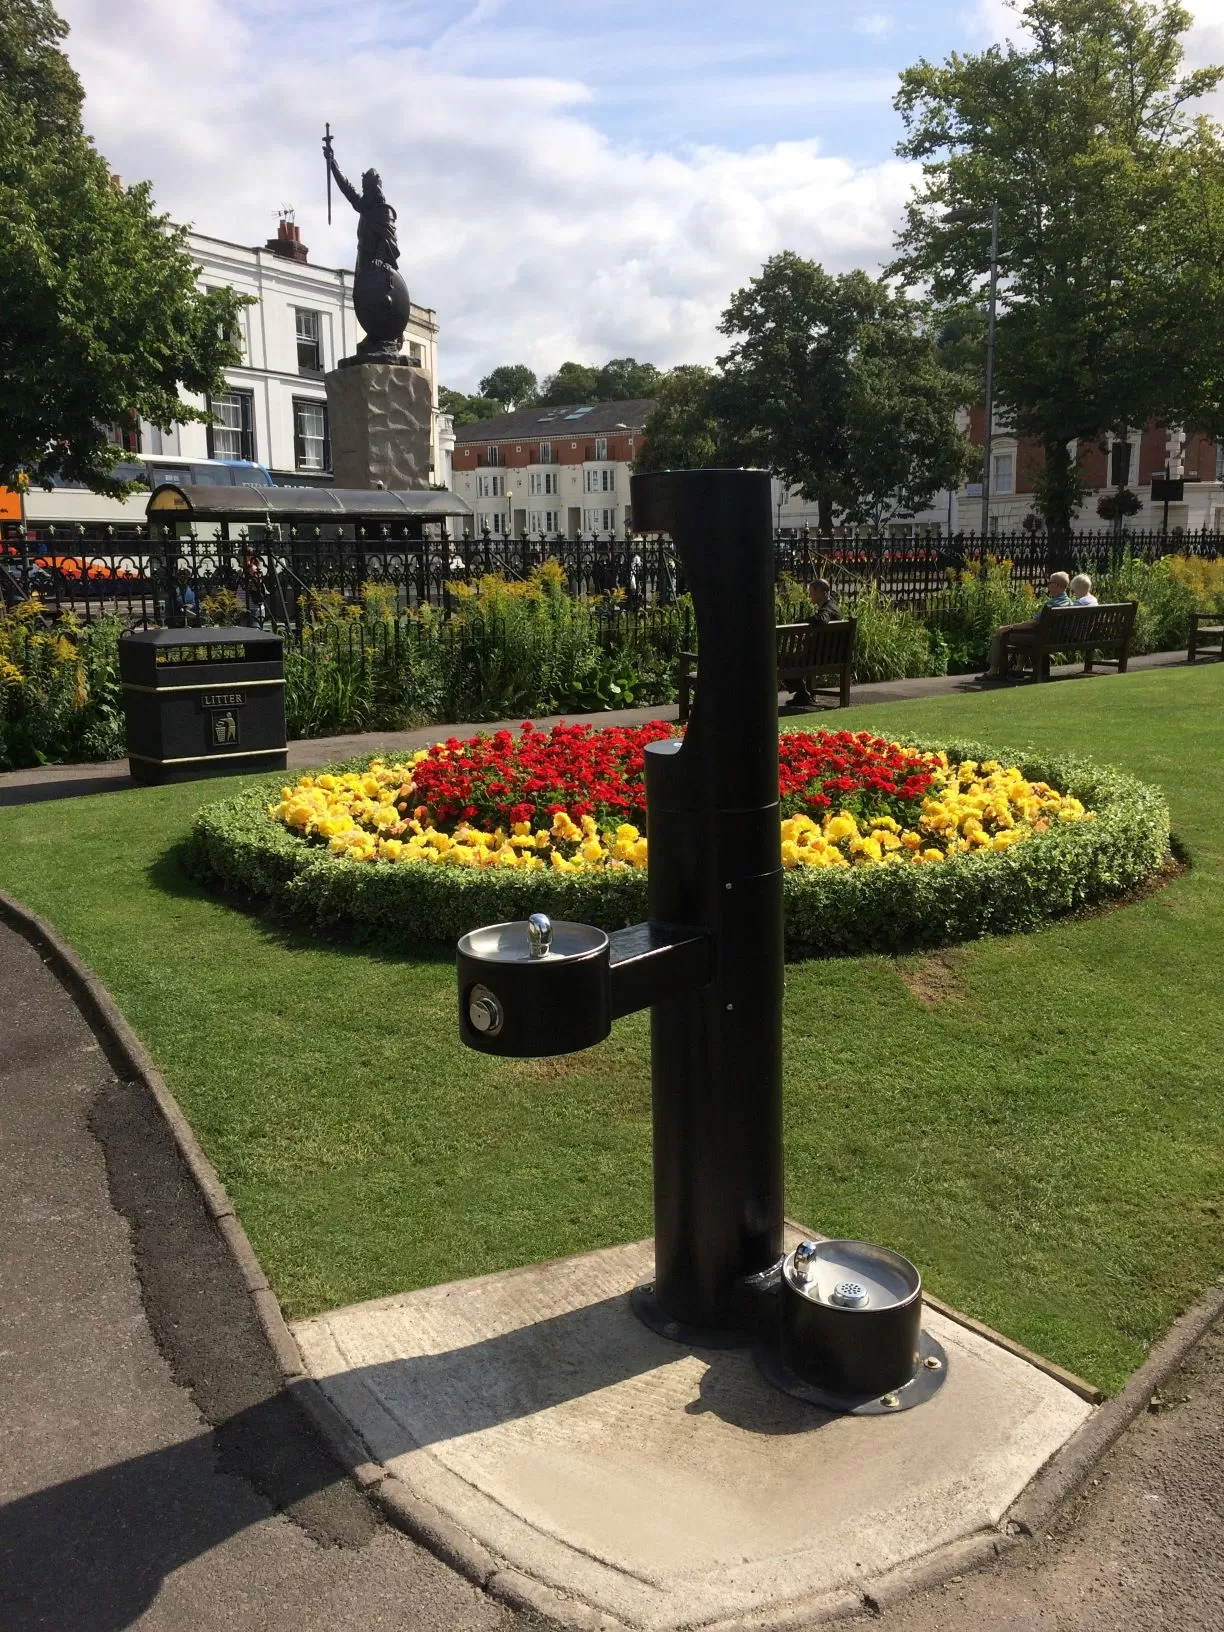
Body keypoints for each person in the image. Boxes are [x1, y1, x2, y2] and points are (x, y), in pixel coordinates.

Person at [980, 571, 1072, 679]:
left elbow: (1033, 624)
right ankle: (1019, 668)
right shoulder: (1070, 603)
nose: (1048, 585)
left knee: (1000, 635)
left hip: (1041, 639)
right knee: (1027, 636)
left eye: (1050, 583)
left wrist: (1009, 627)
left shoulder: (1051, 605)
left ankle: (993, 670)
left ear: (1056, 585)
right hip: (1055, 639)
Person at [788, 577, 844, 704]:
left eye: (812, 592)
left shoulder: (827, 609)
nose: (810, 595)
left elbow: (822, 619)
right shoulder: (833, 607)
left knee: (784, 660)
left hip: (821, 658)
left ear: (820, 593)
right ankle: (802, 694)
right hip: (831, 656)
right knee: (791, 659)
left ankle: (802, 694)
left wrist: (800, 623)